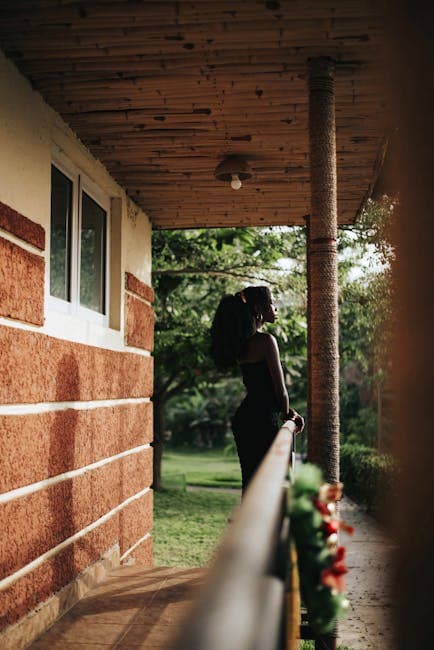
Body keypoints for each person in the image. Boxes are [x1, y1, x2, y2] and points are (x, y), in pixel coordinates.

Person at [211, 285, 304, 493]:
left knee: (251, 484)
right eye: (272, 303)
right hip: (263, 420)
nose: (276, 308)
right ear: (258, 308)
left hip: (245, 419)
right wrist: (288, 415)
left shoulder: (242, 344)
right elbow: (280, 391)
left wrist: (286, 411)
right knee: (271, 484)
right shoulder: (266, 341)